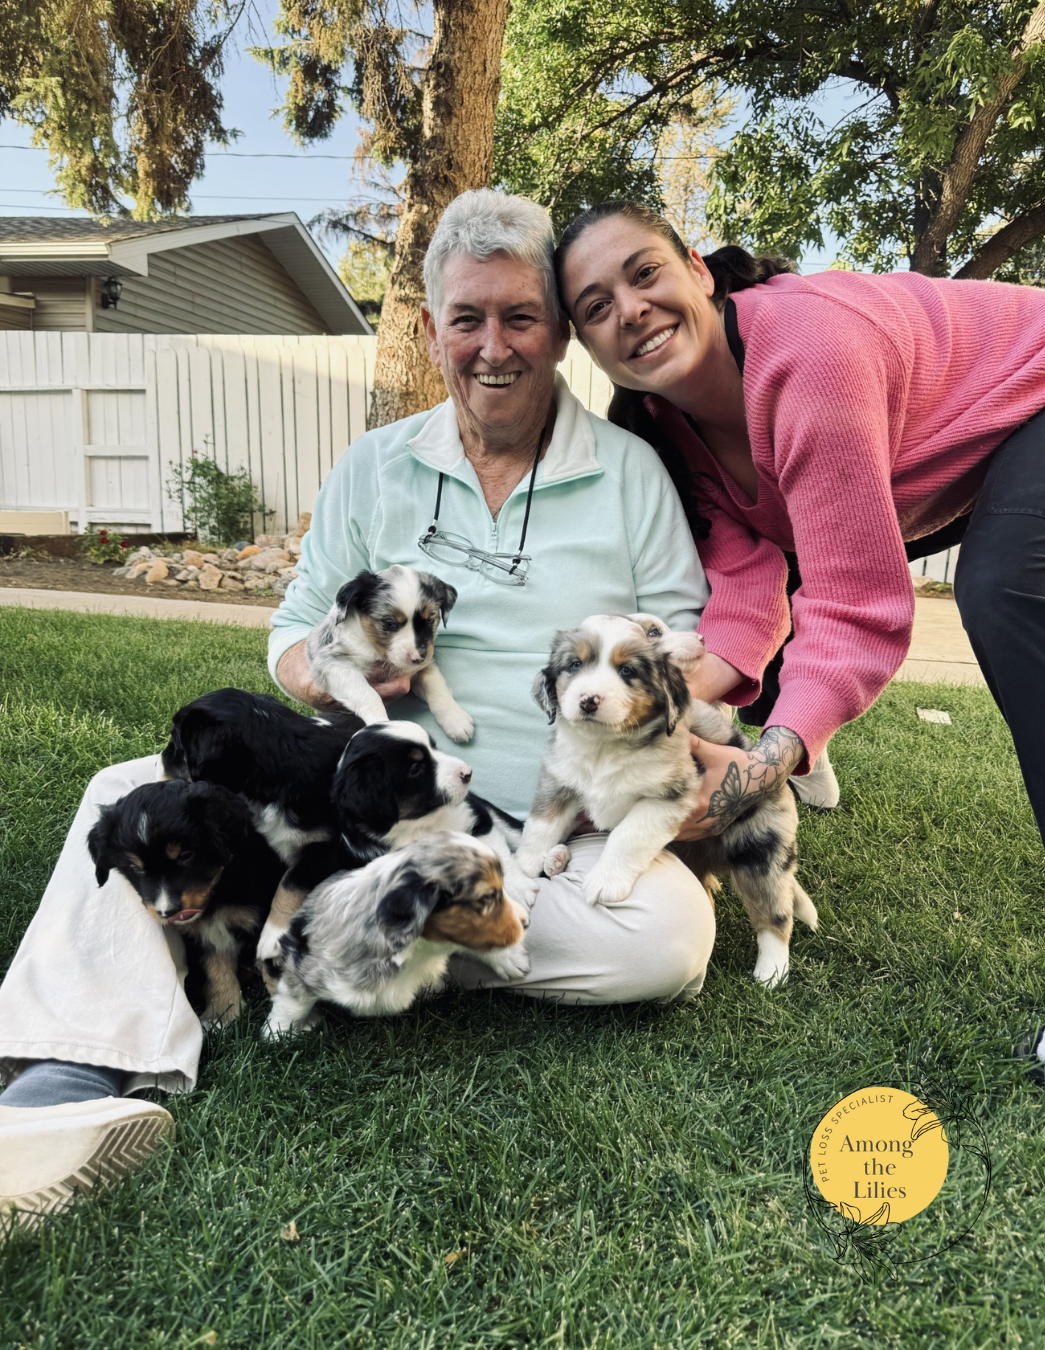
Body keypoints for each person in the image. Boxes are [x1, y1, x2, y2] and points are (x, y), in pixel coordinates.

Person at [0, 189, 716, 1231]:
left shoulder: (631, 477)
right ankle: (78, 1069)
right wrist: (321, 676)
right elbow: (291, 630)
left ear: (558, 331)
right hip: (354, 806)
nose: (494, 346)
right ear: (432, 331)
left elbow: (683, 655)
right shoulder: (373, 466)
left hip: (535, 833)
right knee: (125, 791)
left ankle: (343, 940)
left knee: (669, 939)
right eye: (467, 319)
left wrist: (687, 775)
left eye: (521, 317)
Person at [554, 199, 1045, 1089]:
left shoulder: (808, 352)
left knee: (1008, 586)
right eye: (596, 307)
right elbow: (746, 607)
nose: (629, 309)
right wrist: (646, 728)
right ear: (588, 346)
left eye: (644, 273)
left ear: (698, 268)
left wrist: (762, 769)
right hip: (977, 447)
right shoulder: (668, 435)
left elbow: (858, 605)